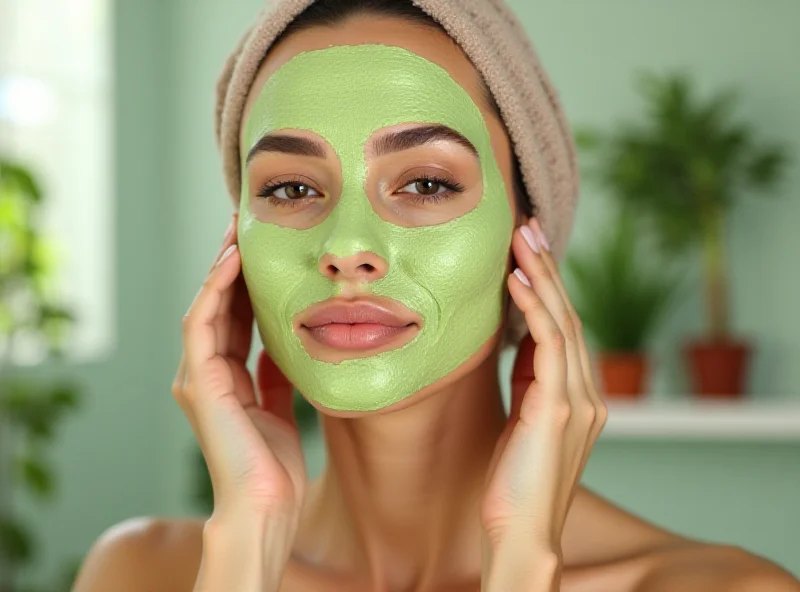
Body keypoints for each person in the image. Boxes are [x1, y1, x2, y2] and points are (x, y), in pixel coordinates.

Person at [74, 1, 800, 590]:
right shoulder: (143, 572)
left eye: (427, 183)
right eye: (291, 188)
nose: (345, 248)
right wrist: (247, 549)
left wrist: (521, 563)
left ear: (526, 229)